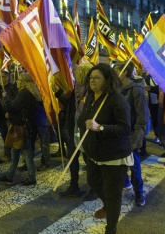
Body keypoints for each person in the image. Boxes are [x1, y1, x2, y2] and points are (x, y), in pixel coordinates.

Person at [77, 64, 132, 234]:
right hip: (95, 153)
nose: (92, 80)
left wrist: (100, 128)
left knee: (112, 193)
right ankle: (108, 206)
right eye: (90, 77)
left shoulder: (117, 100)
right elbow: (84, 121)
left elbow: (125, 129)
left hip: (114, 155)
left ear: (107, 80)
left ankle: (111, 228)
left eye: (96, 78)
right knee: (93, 182)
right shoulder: (92, 97)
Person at [54, 63, 94, 199]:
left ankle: (93, 189)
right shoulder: (76, 89)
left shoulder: (92, 92)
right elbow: (69, 104)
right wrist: (58, 93)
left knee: (90, 162)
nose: (74, 74)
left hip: (87, 132)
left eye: (76, 72)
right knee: (72, 159)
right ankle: (74, 187)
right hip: (74, 130)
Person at [114, 61, 148, 206]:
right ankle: (125, 182)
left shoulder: (136, 90)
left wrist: (136, 139)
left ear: (125, 72)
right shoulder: (114, 89)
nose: (113, 73)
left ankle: (139, 193)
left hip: (131, 134)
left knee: (134, 165)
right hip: (117, 134)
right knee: (118, 164)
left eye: (116, 70)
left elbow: (142, 117)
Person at [0, 73, 39, 186]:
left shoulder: (24, 93)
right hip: (22, 127)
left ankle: (31, 177)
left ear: (24, 82)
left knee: (27, 154)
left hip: (23, 129)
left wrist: (4, 99)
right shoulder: (26, 93)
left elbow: (11, 107)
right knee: (16, 152)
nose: (17, 82)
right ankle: (10, 175)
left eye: (19, 80)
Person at [0, 71, 18, 162]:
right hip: (1, 117)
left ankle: (12, 155)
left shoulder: (12, 87)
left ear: (7, 78)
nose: (1, 79)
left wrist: (9, 112)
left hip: (9, 117)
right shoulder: (0, 88)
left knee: (11, 137)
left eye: (3, 77)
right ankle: (7, 155)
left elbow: (14, 102)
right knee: (5, 137)